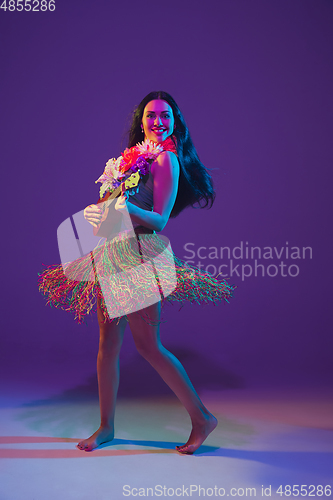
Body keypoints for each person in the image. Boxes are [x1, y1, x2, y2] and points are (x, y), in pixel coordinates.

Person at [39, 91, 235, 455]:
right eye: (150, 115)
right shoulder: (131, 162)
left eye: (164, 115)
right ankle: (106, 427)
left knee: (148, 346)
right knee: (107, 345)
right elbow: (111, 213)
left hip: (140, 256)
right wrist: (102, 211)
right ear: (140, 121)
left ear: (175, 121)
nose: (157, 122)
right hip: (111, 255)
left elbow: (158, 220)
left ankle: (202, 418)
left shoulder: (166, 162)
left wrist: (121, 206)